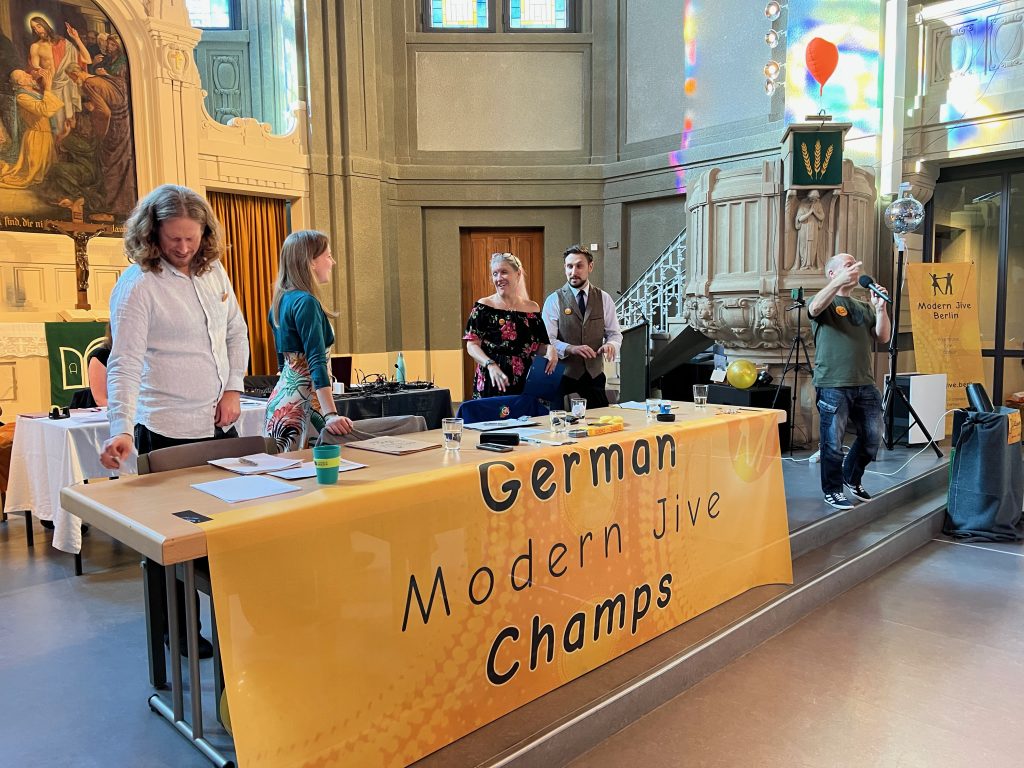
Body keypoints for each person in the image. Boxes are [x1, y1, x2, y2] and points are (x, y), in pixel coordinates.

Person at [99, 185, 249, 659]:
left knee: (222, 528)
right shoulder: (138, 285)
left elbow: (236, 332)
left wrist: (233, 387)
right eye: (173, 239)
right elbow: (124, 362)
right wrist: (120, 428)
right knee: (172, 541)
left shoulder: (213, 271)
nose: (183, 248)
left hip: (216, 423)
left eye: (191, 238)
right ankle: (178, 632)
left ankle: (229, 622)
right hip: (164, 428)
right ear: (152, 234)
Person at [807, 253, 891, 510]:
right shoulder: (824, 300)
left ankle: (851, 477)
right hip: (833, 383)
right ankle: (832, 491)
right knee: (832, 444)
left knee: (873, 437)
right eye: (848, 265)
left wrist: (880, 309)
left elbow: (883, 337)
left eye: (855, 264)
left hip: (864, 382)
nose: (855, 268)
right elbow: (814, 309)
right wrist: (837, 283)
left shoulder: (863, 306)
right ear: (832, 273)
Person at [264, 230, 354, 451]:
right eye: (328, 256)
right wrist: (330, 414)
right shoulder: (306, 302)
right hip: (304, 406)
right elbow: (316, 362)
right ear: (311, 262)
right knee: (310, 470)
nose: (332, 262)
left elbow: (281, 362)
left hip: (281, 402)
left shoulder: (280, 301)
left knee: (284, 469)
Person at [463, 252, 557, 398]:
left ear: (518, 274)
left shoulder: (532, 308)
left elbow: (539, 346)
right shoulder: (484, 306)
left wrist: (551, 350)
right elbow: (472, 345)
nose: (499, 278)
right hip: (492, 379)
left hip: (524, 380)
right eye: (495, 274)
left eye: (504, 272)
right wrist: (490, 364)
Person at [541, 245, 623, 408]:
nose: (573, 272)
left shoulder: (604, 298)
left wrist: (611, 345)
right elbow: (547, 341)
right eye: (569, 266)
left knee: (599, 420)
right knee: (560, 420)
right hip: (562, 375)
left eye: (579, 266)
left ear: (590, 267)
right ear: (565, 267)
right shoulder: (553, 300)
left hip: (594, 375)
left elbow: (615, 333)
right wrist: (570, 348)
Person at [0, 69, 62, 188]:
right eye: (25, 75)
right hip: (36, 137)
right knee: (35, 173)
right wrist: (48, 88)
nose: (29, 75)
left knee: (47, 171)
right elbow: (44, 110)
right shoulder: (22, 97)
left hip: (45, 134)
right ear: (21, 82)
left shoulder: (33, 92)